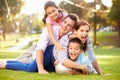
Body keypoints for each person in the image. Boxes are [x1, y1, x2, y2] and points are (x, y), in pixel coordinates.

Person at [0, 14, 86, 74]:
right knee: (31, 68)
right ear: (61, 21)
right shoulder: (50, 30)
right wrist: (40, 69)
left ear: (72, 29)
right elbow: (40, 49)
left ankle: (7, 61)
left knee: (49, 69)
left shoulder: (70, 36)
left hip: (54, 58)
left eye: (69, 25)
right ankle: (5, 64)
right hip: (46, 52)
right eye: (65, 22)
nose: (65, 26)